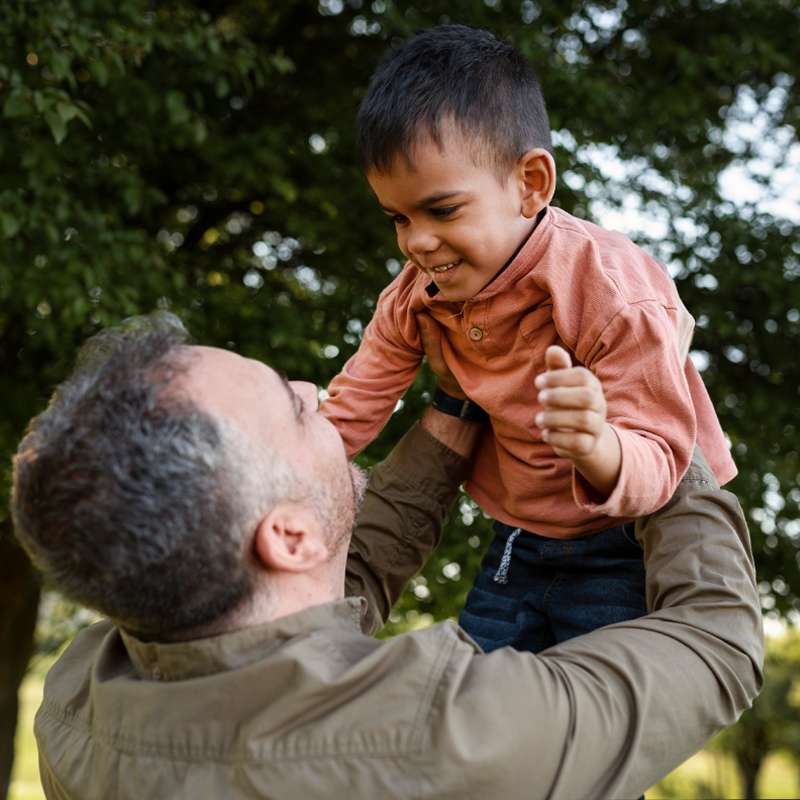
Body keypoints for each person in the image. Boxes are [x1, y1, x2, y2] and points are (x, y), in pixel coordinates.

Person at [11, 314, 761, 799]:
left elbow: (324, 599)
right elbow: (717, 642)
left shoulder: (82, 695)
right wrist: (654, 423)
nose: (313, 387)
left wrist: (463, 401)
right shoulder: (444, 734)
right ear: (287, 536)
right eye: (295, 405)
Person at [321, 24, 738, 652]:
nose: (416, 241)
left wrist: (597, 444)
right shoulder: (416, 293)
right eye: (399, 218)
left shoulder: (610, 292)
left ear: (531, 185)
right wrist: (289, 458)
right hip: (519, 535)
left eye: (442, 210)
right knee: (481, 698)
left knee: (595, 711)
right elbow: (355, 404)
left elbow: (661, 452)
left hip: (620, 539)